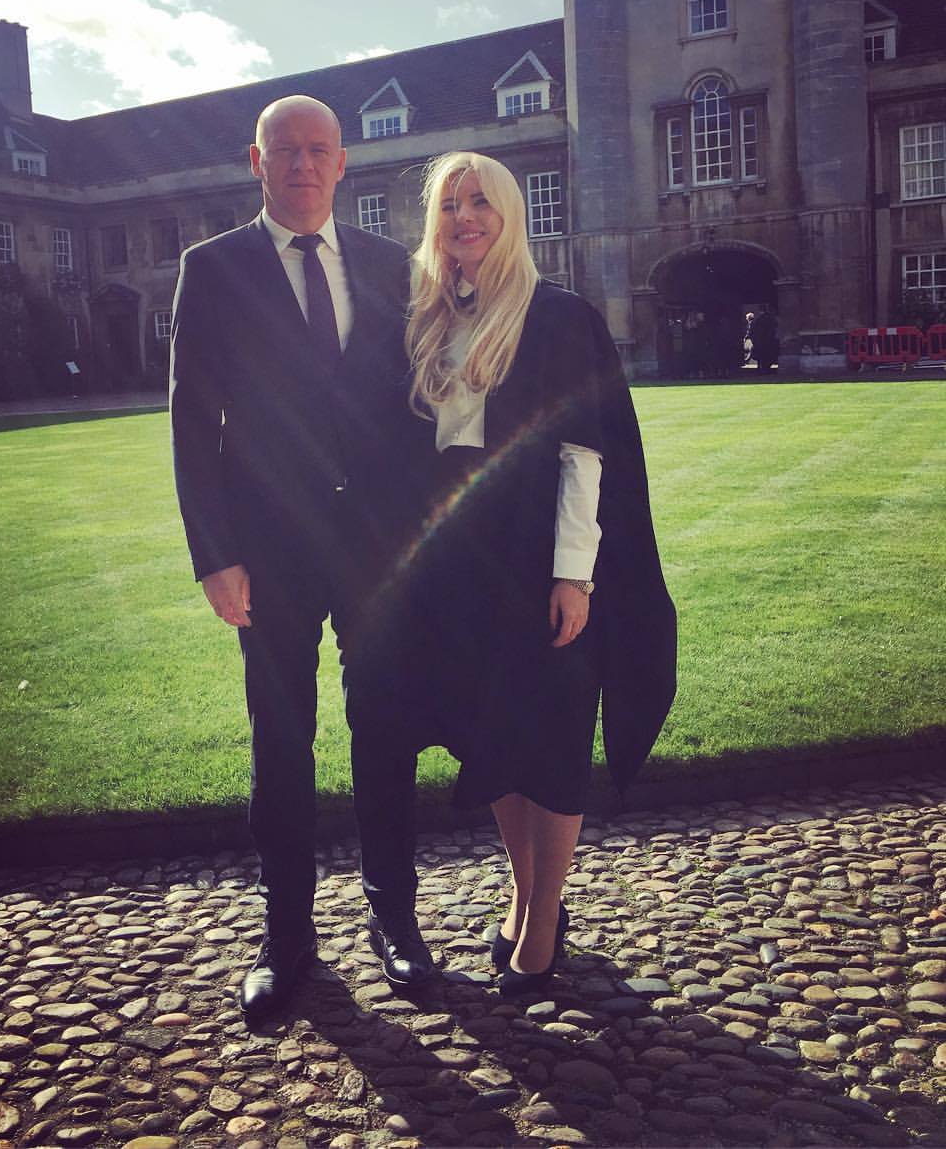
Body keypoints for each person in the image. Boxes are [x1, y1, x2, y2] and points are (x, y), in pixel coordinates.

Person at [169, 95, 434, 1022]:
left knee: (384, 727)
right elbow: (193, 422)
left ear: (343, 162)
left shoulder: (389, 264)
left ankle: (394, 919)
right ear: (257, 160)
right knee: (281, 741)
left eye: (320, 149)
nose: (303, 165)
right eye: (286, 150)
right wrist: (215, 555)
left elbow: (416, 403)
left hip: (376, 545)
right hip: (268, 549)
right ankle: (287, 939)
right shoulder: (213, 268)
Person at [389, 151, 676, 994]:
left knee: (551, 738)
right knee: (494, 739)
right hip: (462, 562)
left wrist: (574, 575)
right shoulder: (431, 318)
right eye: (450, 205)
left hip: (539, 556)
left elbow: (586, 454)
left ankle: (544, 921)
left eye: (480, 201)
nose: (464, 217)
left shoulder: (557, 316)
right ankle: (524, 894)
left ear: (510, 214)